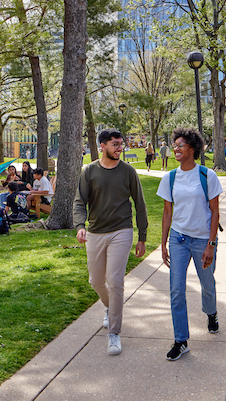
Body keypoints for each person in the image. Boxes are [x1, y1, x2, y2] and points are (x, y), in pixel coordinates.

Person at [73, 128, 148, 356]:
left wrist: (142, 236)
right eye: (115, 144)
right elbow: (79, 202)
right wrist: (80, 226)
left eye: (121, 143)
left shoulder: (128, 171)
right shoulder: (89, 171)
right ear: (102, 146)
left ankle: (114, 333)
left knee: (115, 280)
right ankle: (109, 306)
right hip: (95, 231)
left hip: (121, 230)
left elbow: (140, 204)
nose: (120, 148)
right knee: (96, 280)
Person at [157, 127, 222, 361]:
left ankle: (211, 313)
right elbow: (167, 213)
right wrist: (163, 243)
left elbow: (215, 212)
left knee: (207, 283)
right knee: (176, 290)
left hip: (203, 239)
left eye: (180, 145)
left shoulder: (207, 175)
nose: (175, 148)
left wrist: (211, 244)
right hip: (179, 239)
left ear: (192, 148)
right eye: (174, 145)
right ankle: (181, 340)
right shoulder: (170, 178)